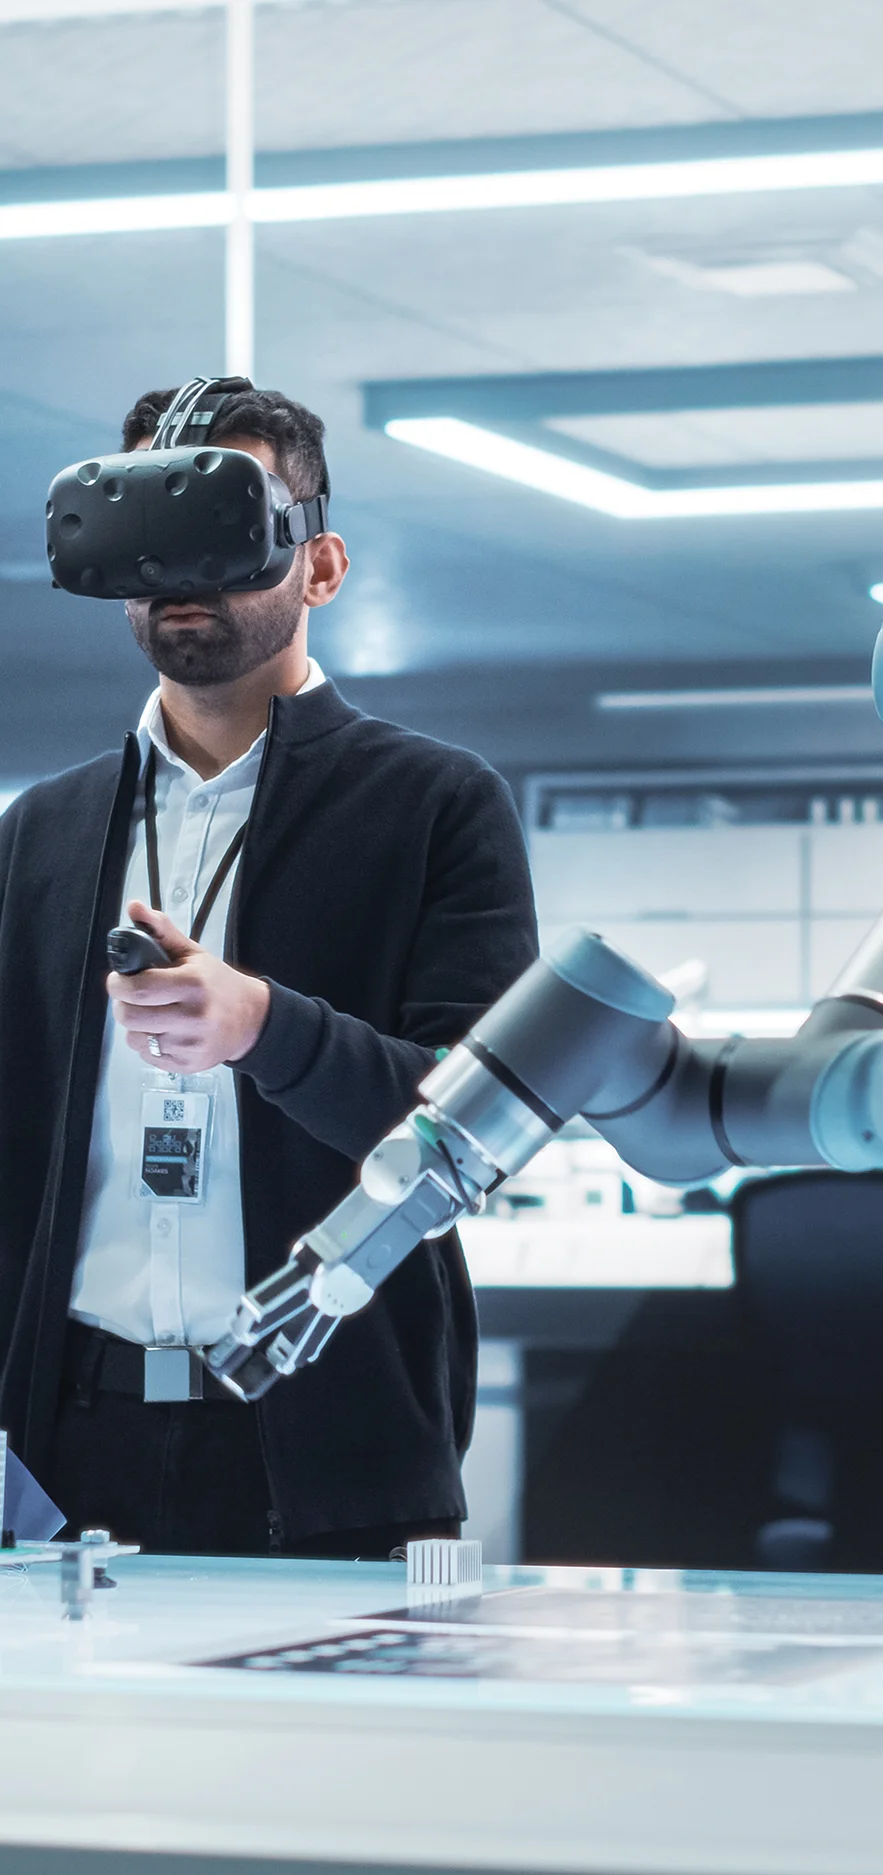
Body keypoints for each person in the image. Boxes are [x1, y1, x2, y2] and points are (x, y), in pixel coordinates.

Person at [0, 384, 538, 1558]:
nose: (180, 567)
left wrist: (265, 1029)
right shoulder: (43, 830)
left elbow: (486, 1129)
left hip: (330, 1454)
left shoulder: (437, 807)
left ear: (322, 566)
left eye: (223, 522)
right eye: (149, 527)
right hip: (62, 1457)